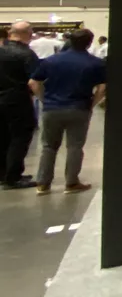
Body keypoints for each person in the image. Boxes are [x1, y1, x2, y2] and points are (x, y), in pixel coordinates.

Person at [28, 27, 104, 194]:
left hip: (52, 108)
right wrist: (92, 103)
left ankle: (43, 183)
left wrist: (44, 99)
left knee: (48, 146)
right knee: (75, 146)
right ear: (89, 43)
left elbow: (33, 83)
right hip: (79, 107)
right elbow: (103, 87)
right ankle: (71, 182)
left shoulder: (50, 61)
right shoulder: (96, 63)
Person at [0, 21, 39, 189]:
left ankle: (3, 173)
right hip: (18, 100)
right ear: (28, 34)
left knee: (3, 137)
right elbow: (34, 80)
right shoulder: (27, 54)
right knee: (20, 137)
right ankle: (13, 177)